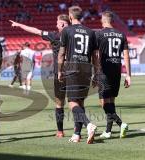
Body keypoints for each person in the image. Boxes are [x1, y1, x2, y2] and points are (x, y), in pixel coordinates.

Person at [9, 14, 70, 138]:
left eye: (57, 23)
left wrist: (19, 25)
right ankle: (78, 131)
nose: (56, 25)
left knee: (59, 103)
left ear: (63, 24)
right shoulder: (75, 34)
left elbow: (36, 31)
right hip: (76, 72)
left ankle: (60, 131)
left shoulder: (54, 35)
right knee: (76, 102)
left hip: (60, 73)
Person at [58, 6, 98, 144]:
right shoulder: (91, 32)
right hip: (87, 68)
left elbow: (62, 54)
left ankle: (89, 124)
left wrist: (59, 70)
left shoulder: (67, 30)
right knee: (80, 101)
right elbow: (95, 56)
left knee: (72, 102)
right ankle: (76, 134)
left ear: (70, 16)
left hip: (73, 67)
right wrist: (97, 74)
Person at [95, 11, 131, 139]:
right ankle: (108, 131)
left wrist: (95, 72)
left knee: (104, 102)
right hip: (117, 70)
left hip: (104, 70)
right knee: (111, 101)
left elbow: (96, 55)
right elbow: (126, 55)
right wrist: (128, 75)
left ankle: (121, 123)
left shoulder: (99, 34)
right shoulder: (121, 34)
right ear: (112, 20)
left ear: (103, 20)